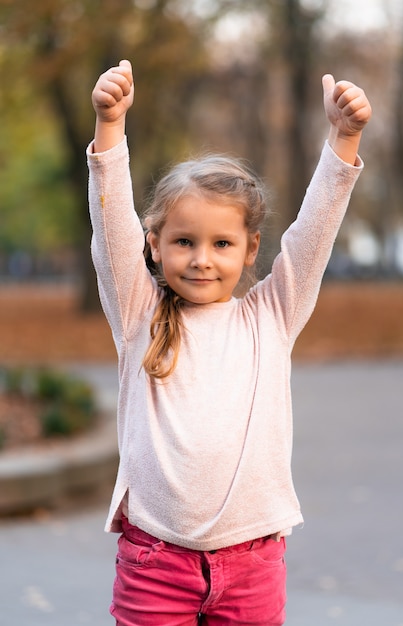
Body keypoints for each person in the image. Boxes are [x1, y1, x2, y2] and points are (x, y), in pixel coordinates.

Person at [87, 59, 371, 626]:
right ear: (156, 245)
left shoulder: (270, 315)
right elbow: (110, 225)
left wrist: (344, 138)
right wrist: (109, 126)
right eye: (184, 241)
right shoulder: (138, 314)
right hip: (155, 561)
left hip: (253, 565)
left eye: (221, 243)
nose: (201, 258)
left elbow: (314, 233)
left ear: (249, 249)